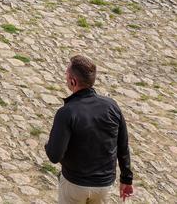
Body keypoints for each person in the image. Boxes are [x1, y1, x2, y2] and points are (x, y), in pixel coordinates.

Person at [45, 55, 135, 203]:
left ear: (73, 81)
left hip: (75, 184)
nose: (65, 77)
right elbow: (123, 145)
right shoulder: (112, 106)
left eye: (66, 74)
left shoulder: (67, 112)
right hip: (104, 186)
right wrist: (126, 179)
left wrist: (48, 146)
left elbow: (54, 156)